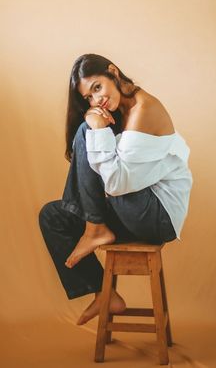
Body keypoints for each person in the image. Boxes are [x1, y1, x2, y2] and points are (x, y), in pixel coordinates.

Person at [39, 53, 193, 325]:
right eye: (89, 97)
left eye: (97, 87)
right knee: (52, 216)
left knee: (87, 131)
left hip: (158, 216)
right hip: (133, 210)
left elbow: (116, 184)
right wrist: (95, 123)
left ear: (113, 72)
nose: (96, 100)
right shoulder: (119, 111)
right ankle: (104, 293)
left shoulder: (143, 110)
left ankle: (95, 229)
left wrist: (95, 128)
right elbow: (112, 181)